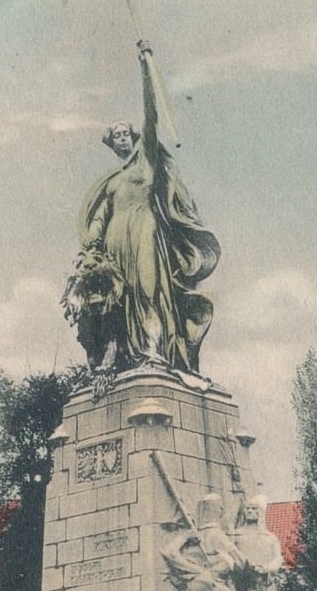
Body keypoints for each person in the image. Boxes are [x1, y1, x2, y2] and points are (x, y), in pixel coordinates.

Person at [63, 40, 220, 389]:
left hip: (146, 233)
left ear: (134, 136)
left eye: (125, 133)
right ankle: (120, 359)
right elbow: (99, 223)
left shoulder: (147, 159)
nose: (122, 138)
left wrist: (146, 72)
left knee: (148, 291)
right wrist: (89, 256)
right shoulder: (113, 182)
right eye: (115, 135)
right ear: (111, 143)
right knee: (120, 302)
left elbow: (152, 116)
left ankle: (154, 353)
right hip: (118, 241)